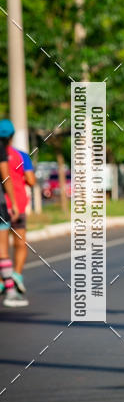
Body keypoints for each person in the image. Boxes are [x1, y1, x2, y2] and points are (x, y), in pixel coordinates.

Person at [0, 119, 35, 301]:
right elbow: (31, 180)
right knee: (20, 243)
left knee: (1, 247)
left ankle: (3, 280)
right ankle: (16, 275)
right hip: (16, 205)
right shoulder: (21, 156)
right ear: (12, 136)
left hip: (2, 205)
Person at [0, 127, 26, 307]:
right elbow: (5, 177)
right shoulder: (4, 150)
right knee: (3, 250)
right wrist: (14, 203)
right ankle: (10, 292)